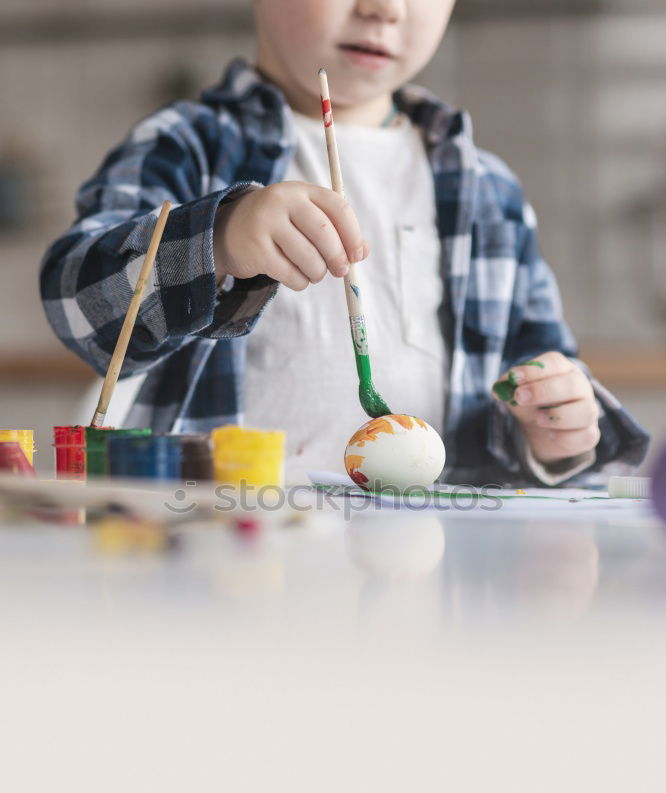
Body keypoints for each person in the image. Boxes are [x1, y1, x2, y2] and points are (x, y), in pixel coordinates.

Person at [40, 0, 649, 486]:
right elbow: (76, 305)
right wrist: (218, 237)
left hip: (427, 560)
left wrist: (552, 426)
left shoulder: (487, 187)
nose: (385, 7)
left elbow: (539, 372)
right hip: (218, 546)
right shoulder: (185, 145)